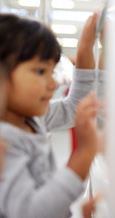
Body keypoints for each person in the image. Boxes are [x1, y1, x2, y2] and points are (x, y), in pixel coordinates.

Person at [0, 12, 102, 218]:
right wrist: (83, 154)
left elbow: (73, 106)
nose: (53, 83)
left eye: (51, 71)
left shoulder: (32, 119)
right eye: (40, 71)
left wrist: (85, 47)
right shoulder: (5, 141)